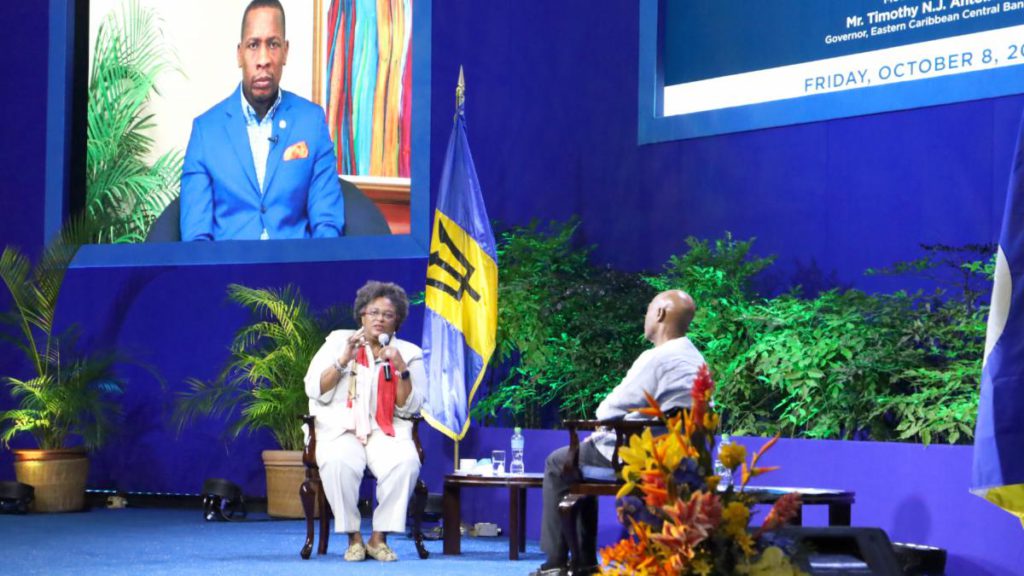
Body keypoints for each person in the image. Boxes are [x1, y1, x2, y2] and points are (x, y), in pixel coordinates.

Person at [532, 290, 705, 576]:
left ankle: (558, 562)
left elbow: (608, 409)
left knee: (559, 463)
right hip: (679, 459)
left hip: (637, 457)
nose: (646, 317)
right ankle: (584, 562)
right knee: (579, 460)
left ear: (660, 313)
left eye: (648, 310)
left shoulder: (658, 358)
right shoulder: (696, 359)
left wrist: (605, 423)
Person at [180, 0, 344, 241]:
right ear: (239, 54)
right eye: (253, 45)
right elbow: (196, 240)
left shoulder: (311, 122)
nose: (263, 59)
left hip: (296, 264)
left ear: (286, 51)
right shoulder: (205, 132)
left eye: (273, 44)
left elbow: (327, 226)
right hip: (230, 265)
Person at [303, 281, 426, 562]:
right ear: (362, 315)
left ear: (397, 321)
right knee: (337, 462)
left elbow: (412, 405)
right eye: (374, 312)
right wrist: (342, 360)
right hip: (341, 428)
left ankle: (378, 538)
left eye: (388, 315)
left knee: (406, 462)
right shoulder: (338, 342)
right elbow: (314, 388)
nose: (380, 319)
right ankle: (354, 538)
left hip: (386, 429)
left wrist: (401, 368)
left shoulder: (409, 353)